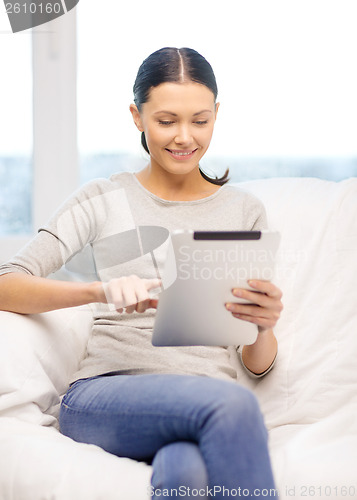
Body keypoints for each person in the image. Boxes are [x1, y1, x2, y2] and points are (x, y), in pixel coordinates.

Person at [0, 47, 283, 499]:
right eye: (166, 121)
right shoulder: (101, 197)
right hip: (105, 397)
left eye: (200, 120)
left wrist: (263, 326)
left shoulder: (243, 210)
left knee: (185, 472)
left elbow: (258, 363)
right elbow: (5, 283)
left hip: (200, 399)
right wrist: (99, 290)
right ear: (137, 116)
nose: (184, 137)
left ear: (216, 115)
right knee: (233, 405)